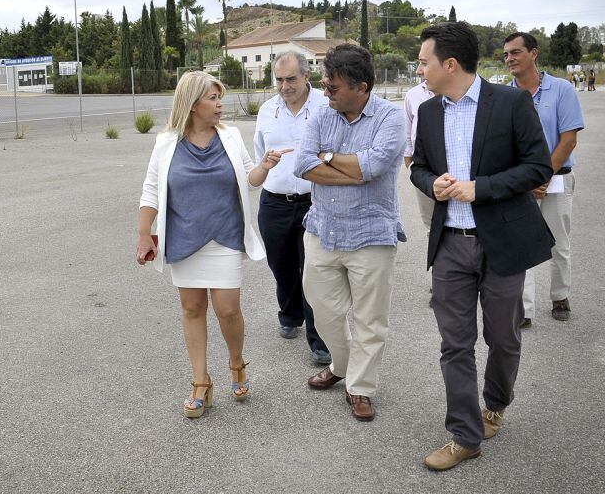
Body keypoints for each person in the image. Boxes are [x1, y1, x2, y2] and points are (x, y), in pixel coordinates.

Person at [410, 22, 554, 471]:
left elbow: (537, 168)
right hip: (450, 244)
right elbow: (418, 166)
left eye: (424, 61)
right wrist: (431, 182)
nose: (419, 69)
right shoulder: (430, 112)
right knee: (455, 343)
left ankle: (496, 402)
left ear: (449, 64)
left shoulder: (510, 102)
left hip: (503, 243)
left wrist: (480, 188)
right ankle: (465, 435)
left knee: (503, 338)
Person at [137, 70, 287, 418]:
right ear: (192, 105)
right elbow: (151, 191)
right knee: (192, 309)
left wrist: (264, 166)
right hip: (184, 237)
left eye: (221, 98)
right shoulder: (166, 143)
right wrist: (145, 232)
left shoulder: (231, 137)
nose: (221, 104)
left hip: (225, 236)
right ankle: (200, 381)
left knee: (228, 309)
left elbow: (249, 179)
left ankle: (236, 363)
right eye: (214, 99)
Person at [294, 44, 406, 423]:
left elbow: (373, 167)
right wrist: (349, 169)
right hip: (322, 229)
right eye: (325, 85)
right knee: (322, 309)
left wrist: (327, 157)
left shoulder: (390, 117)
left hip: (372, 233)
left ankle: (360, 387)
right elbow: (302, 165)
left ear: (362, 87)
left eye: (334, 88)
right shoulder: (322, 116)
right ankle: (341, 365)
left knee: (370, 319)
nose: (326, 94)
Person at [253, 50, 332, 364]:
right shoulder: (267, 111)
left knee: (314, 272)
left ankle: (320, 339)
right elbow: (260, 154)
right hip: (274, 203)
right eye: (279, 80)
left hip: (314, 201)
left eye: (291, 79)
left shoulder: (326, 107)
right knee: (281, 265)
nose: (284, 86)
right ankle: (289, 312)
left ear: (307, 76)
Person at [505, 32, 585, 326]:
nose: (509, 59)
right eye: (506, 55)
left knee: (558, 244)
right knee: (523, 245)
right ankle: (524, 310)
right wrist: (525, 179)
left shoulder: (561, 89)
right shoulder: (507, 95)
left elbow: (568, 140)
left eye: (515, 52)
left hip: (557, 178)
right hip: (522, 183)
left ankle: (560, 296)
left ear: (534, 53)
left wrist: (543, 175)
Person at [403, 78, 437, 238]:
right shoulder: (413, 95)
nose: (419, 70)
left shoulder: (458, 91)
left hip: (455, 167)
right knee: (431, 223)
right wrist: (411, 167)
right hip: (423, 167)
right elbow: (408, 134)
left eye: (425, 63)